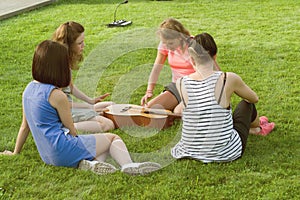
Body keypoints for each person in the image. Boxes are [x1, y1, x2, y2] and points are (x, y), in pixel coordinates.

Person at [0, 40, 161, 175]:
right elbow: (72, 131)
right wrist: (85, 142)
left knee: (99, 144)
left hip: (46, 155)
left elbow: (24, 127)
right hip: (63, 149)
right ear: (58, 68)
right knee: (112, 138)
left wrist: (15, 152)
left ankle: (92, 164)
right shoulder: (57, 95)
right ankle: (128, 165)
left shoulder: (28, 90)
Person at [171, 38, 275, 163]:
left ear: (192, 59)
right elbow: (254, 98)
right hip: (223, 152)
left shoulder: (182, 82)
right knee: (247, 104)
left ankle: (253, 128)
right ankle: (257, 129)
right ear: (215, 56)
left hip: (189, 149)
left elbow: (179, 110)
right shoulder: (227, 78)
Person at [140, 19, 220, 112]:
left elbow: (214, 68)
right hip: (177, 86)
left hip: (196, 87)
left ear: (180, 37)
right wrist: (149, 91)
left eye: (170, 43)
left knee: (178, 112)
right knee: (149, 109)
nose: (167, 46)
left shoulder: (194, 45)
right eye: (165, 43)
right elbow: (156, 69)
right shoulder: (164, 45)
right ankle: (180, 103)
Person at [52, 21, 114, 133]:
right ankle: (66, 128)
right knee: (108, 124)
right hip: (64, 111)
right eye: (80, 43)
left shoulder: (66, 61)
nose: (83, 45)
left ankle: (84, 117)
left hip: (71, 107)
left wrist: (90, 101)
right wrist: (88, 108)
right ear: (68, 45)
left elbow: (70, 87)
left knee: (111, 106)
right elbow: (61, 104)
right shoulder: (59, 67)